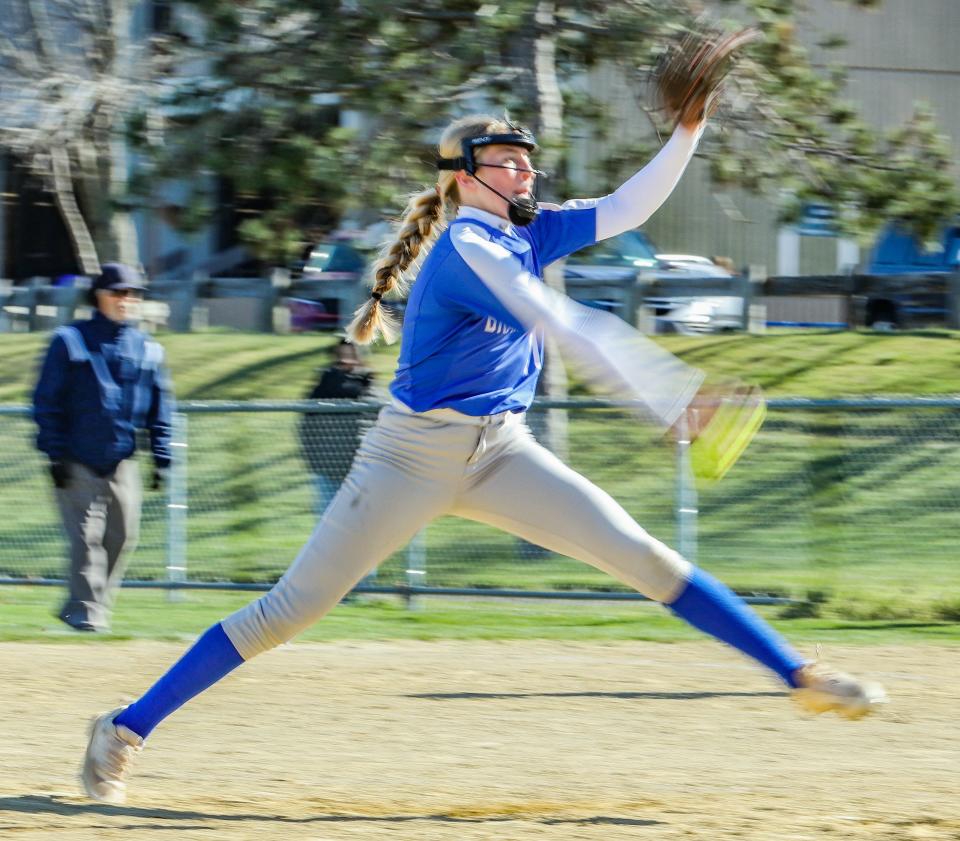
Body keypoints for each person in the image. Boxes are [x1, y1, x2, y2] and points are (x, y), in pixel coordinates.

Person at [80, 110, 886, 805]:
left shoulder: (528, 227)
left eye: (527, 158)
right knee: (285, 612)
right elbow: (563, 322)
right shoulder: (470, 246)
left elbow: (629, 204)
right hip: (409, 456)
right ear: (465, 178)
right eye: (505, 159)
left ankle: (798, 675)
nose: (525, 168)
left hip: (502, 448)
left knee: (645, 555)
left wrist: (689, 130)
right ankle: (123, 728)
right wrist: (670, 394)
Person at [33, 263, 173, 633]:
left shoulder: (148, 348)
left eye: (133, 294)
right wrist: (54, 454)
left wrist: (163, 457)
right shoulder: (70, 340)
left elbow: (162, 406)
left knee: (122, 536)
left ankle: (84, 605)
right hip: (76, 457)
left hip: (122, 459)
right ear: (99, 296)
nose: (126, 299)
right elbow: (46, 401)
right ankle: (86, 615)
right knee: (85, 539)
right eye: (118, 292)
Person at [298, 339, 376, 517]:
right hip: (328, 468)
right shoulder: (324, 385)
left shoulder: (368, 385)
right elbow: (305, 426)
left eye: (351, 355)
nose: (346, 361)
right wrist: (314, 461)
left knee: (361, 522)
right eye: (342, 356)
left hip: (361, 469)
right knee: (327, 520)